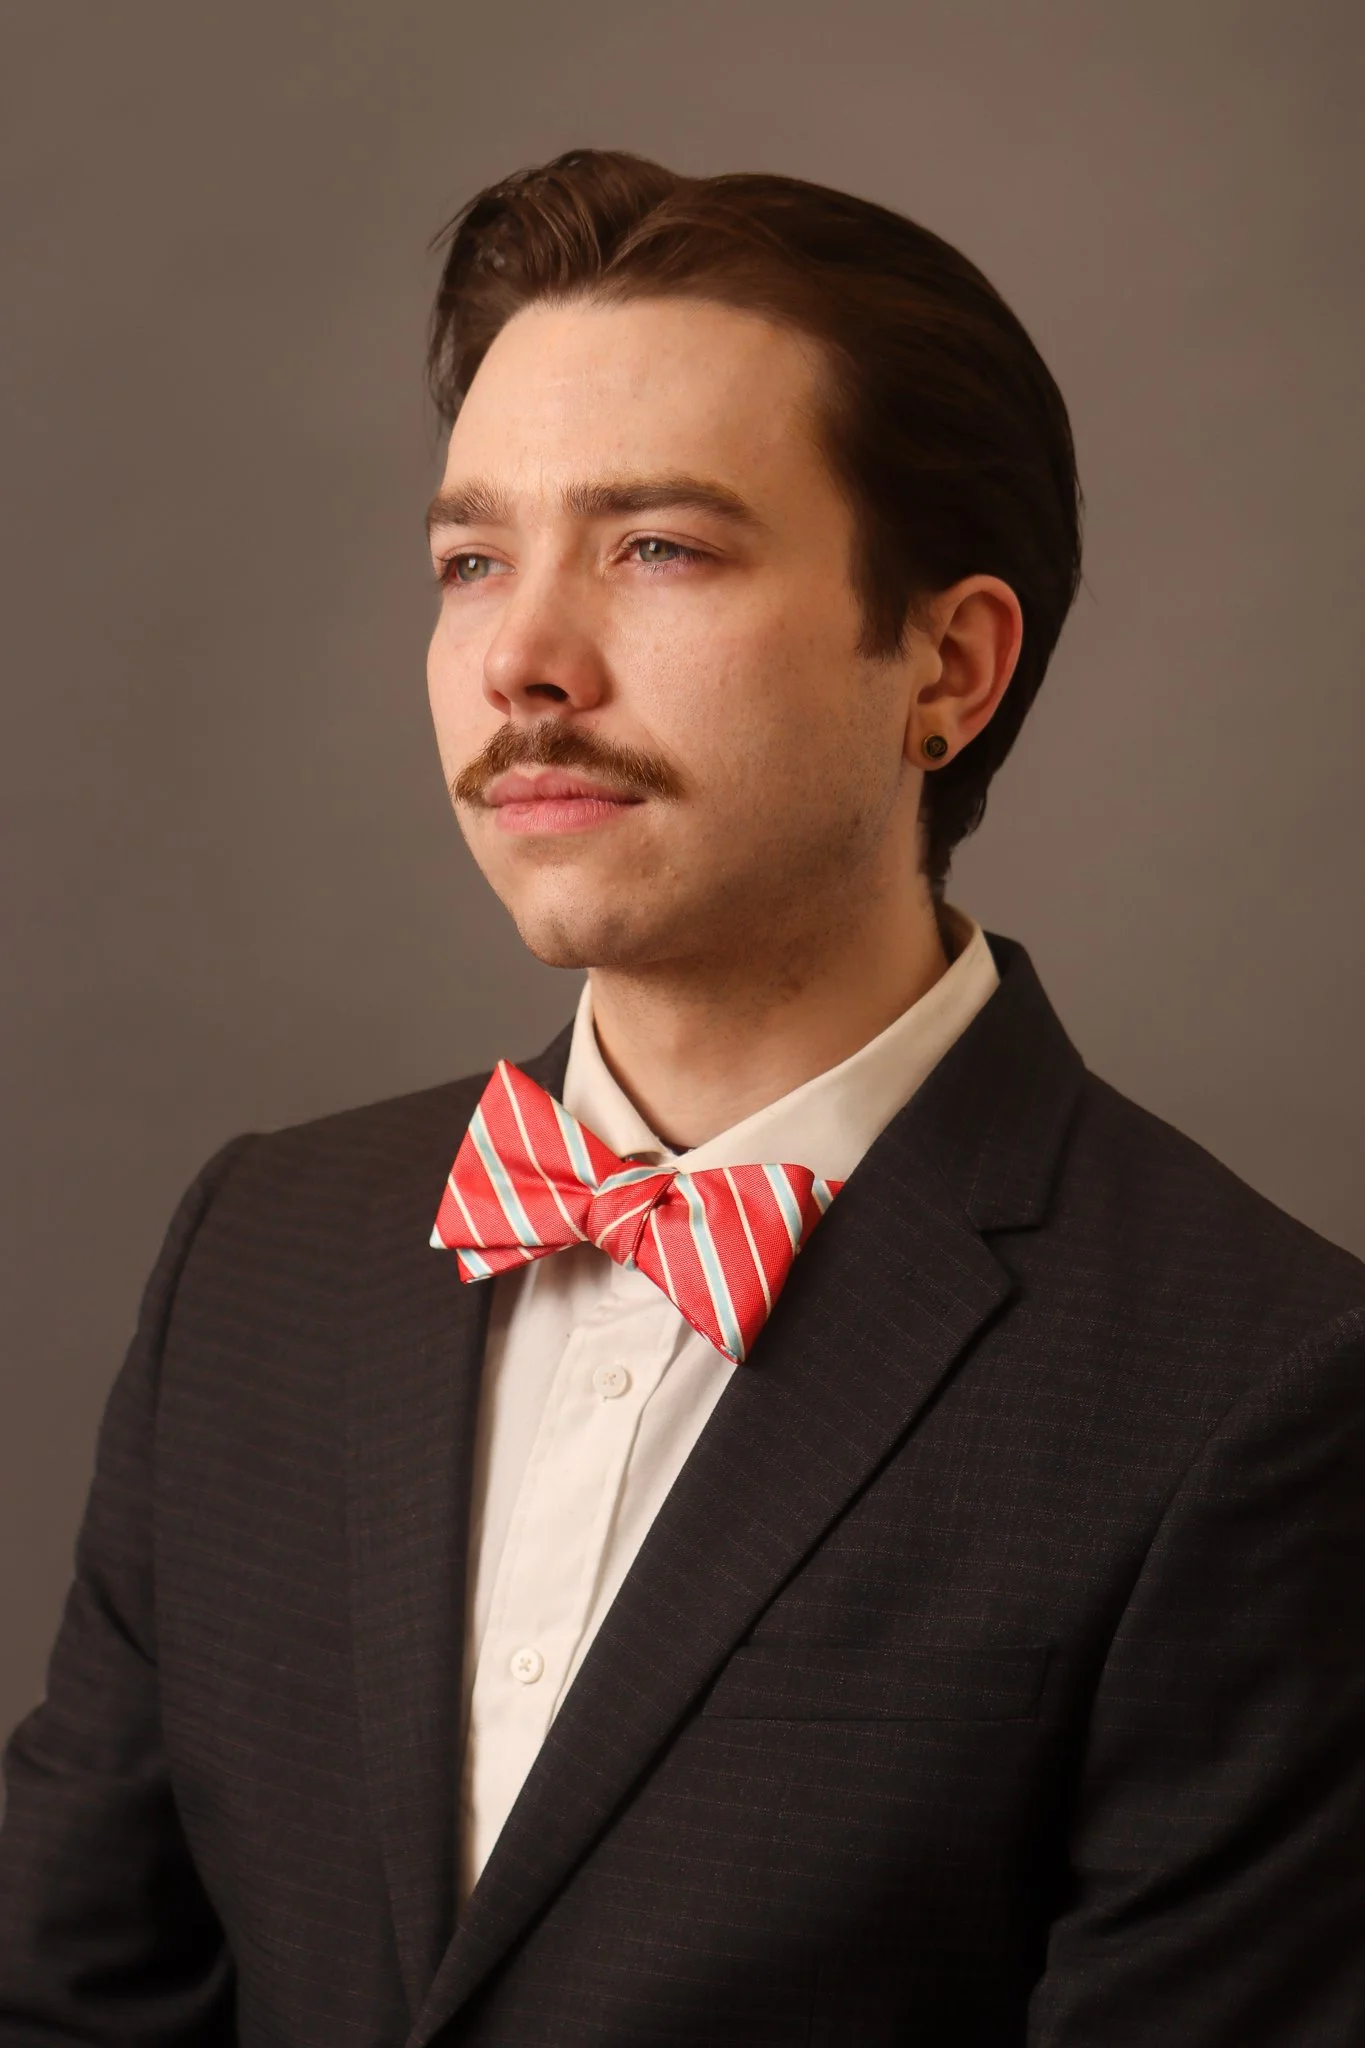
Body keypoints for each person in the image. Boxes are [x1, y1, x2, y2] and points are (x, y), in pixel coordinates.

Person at [1, 147, 1361, 2048]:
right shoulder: (257, 1252)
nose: (523, 665)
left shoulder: (1266, 1388)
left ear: (948, 670)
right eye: (472, 560)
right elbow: (73, 2005)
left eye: (659, 548)